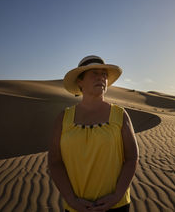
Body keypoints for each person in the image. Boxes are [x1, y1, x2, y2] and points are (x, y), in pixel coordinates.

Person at [48, 55, 139, 212]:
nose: (101, 78)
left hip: (116, 206)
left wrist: (117, 195)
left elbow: (132, 158)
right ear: (80, 81)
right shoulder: (64, 117)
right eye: (94, 74)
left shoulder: (119, 114)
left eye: (104, 74)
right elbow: (55, 162)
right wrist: (71, 199)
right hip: (76, 207)